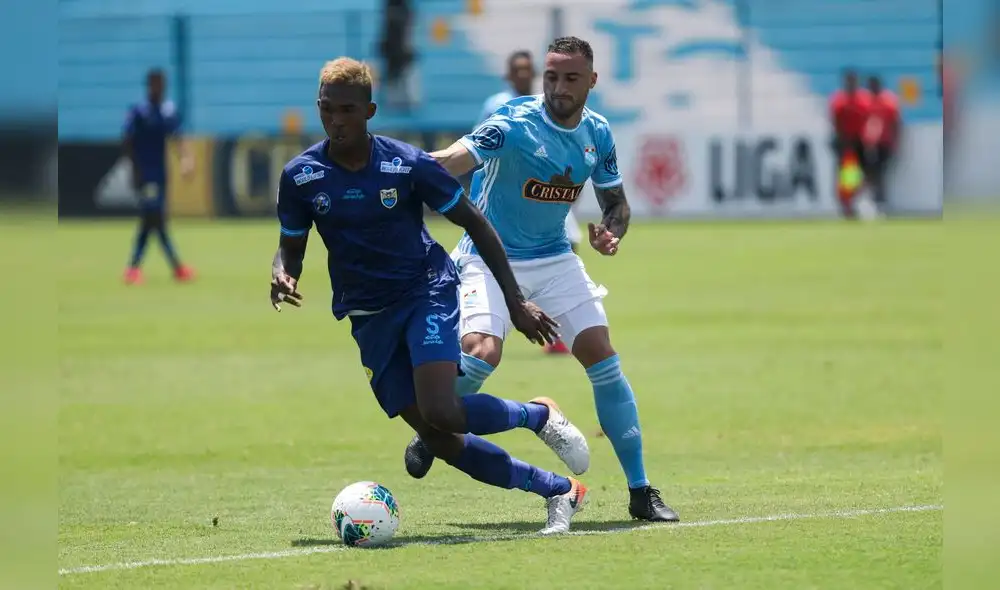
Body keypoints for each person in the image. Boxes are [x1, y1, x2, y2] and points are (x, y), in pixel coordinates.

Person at [270, 57, 590, 535]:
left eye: (347, 110)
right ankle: (558, 489)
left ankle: (538, 416)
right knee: (438, 437)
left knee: (442, 409)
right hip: (368, 317)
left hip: (426, 291)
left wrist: (515, 301)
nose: (335, 120)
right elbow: (290, 248)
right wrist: (283, 274)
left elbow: (477, 223)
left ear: (369, 110)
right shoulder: (301, 176)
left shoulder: (406, 164)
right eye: (327, 109)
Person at [403, 37, 679, 523]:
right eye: (552, 77)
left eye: (571, 78)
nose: (559, 87)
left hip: (554, 259)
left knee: (603, 356)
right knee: (481, 352)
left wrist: (611, 231)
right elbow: (450, 161)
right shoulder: (513, 123)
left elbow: (616, 202)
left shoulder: (597, 132)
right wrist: (391, 166)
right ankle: (433, 426)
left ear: (592, 81)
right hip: (488, 258)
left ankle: (641, 492)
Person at [478, 50, 581, 354]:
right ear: (508, 75)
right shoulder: (497, 106)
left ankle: (556, 329)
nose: (523, 74)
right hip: (510, 199)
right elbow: (480, 146)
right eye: (517, 70)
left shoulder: (546, 105)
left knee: (569, 244)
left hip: (545, 193)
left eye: (527, 69)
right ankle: (490, 320)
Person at [122, 68, 196, 284]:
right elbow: (127, 141)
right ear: (149, 86)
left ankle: (137, 269)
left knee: (152, 220)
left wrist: (186, 159)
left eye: (161, 84)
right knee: (154, 218)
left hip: (161, 174)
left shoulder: (166, 111)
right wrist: (134, 169)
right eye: (155, 84)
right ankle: (171, 267)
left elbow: (178, 136)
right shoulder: (139, 112)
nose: (159, 88)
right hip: (146, 174)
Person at [862, 75, 901, 208]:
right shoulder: (865, 101)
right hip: (866, 145)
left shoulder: (888, 101)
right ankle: (868, 200)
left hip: (884, 144)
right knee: (867, 173)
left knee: (879, 173)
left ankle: (879, 201)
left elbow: (895, 124)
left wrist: (895, 142)